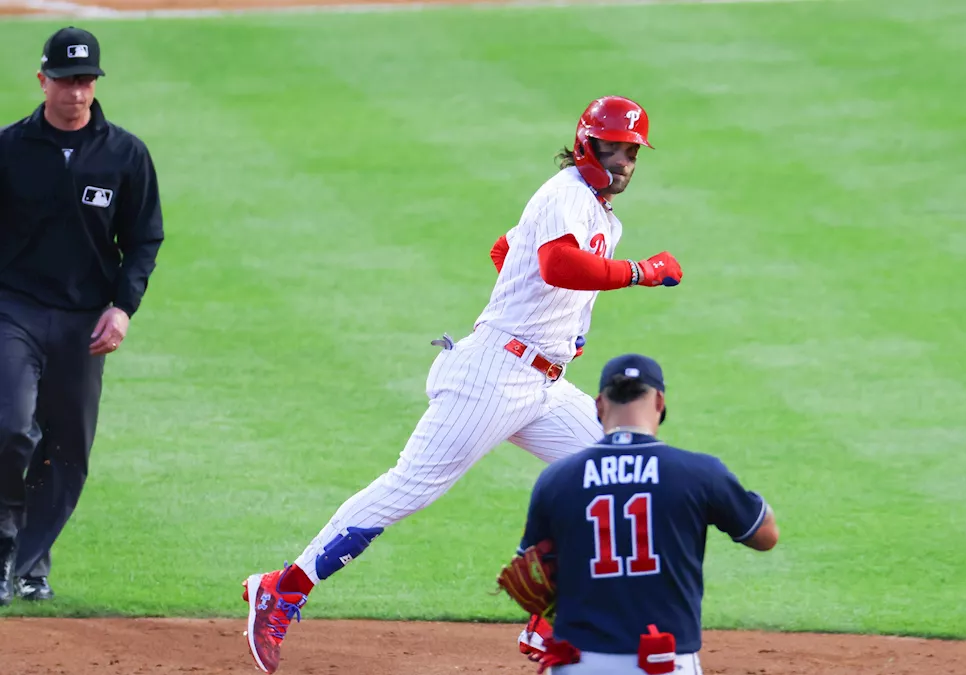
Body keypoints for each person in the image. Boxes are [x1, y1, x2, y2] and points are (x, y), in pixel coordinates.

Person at [242, 96, 685, 674]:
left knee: (626, 476)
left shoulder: (602, 215)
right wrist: (641, 272)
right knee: (409, 489)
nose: (623, 160)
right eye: (613, 147)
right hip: (494, 375)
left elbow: (511, 250)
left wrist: (549, 318)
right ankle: (284, 587)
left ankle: (554, 615)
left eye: (631, 150)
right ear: (585, 144)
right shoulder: (564, 194)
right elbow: (557, 266)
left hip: (543, 383)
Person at [0, 26, 165, 606]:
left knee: (67, 450)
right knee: (8, 427)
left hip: (83, 321)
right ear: (42, 80)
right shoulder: (9, 148)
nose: (76, 92)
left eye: (86, 80)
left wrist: (122, 308)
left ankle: (29, 565)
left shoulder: (125, 154)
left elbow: (144, 239)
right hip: (13, 310)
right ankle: (3, 546)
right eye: (66, 80)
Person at [499, 353, 779, 674]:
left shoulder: (557, 479)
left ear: (599, 404)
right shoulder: (699, 473)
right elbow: (765, 536)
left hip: (581, 664)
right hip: (665, 665)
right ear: (659, 401)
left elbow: (533, 574)